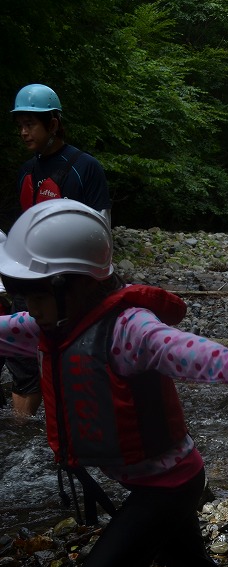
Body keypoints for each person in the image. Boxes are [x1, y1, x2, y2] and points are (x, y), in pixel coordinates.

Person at [0, 199, 228, 567]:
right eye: (25, 297)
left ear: (79, 284)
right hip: (159, 479)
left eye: (37, 297)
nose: (30, 309)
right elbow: (5, 329)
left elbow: (180, 350)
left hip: (169, 485)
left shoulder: (128, 328)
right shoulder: (51, 324)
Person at [10, 83, 112, 418]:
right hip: (29, 286)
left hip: (70, 290)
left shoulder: (85, 168)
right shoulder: (26, 172)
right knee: (24, 371)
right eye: (20, 125)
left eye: (31, 124)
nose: (24, 132)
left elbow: (101, 235)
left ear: (53, 124)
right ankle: (26, 434)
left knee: (71, 369)